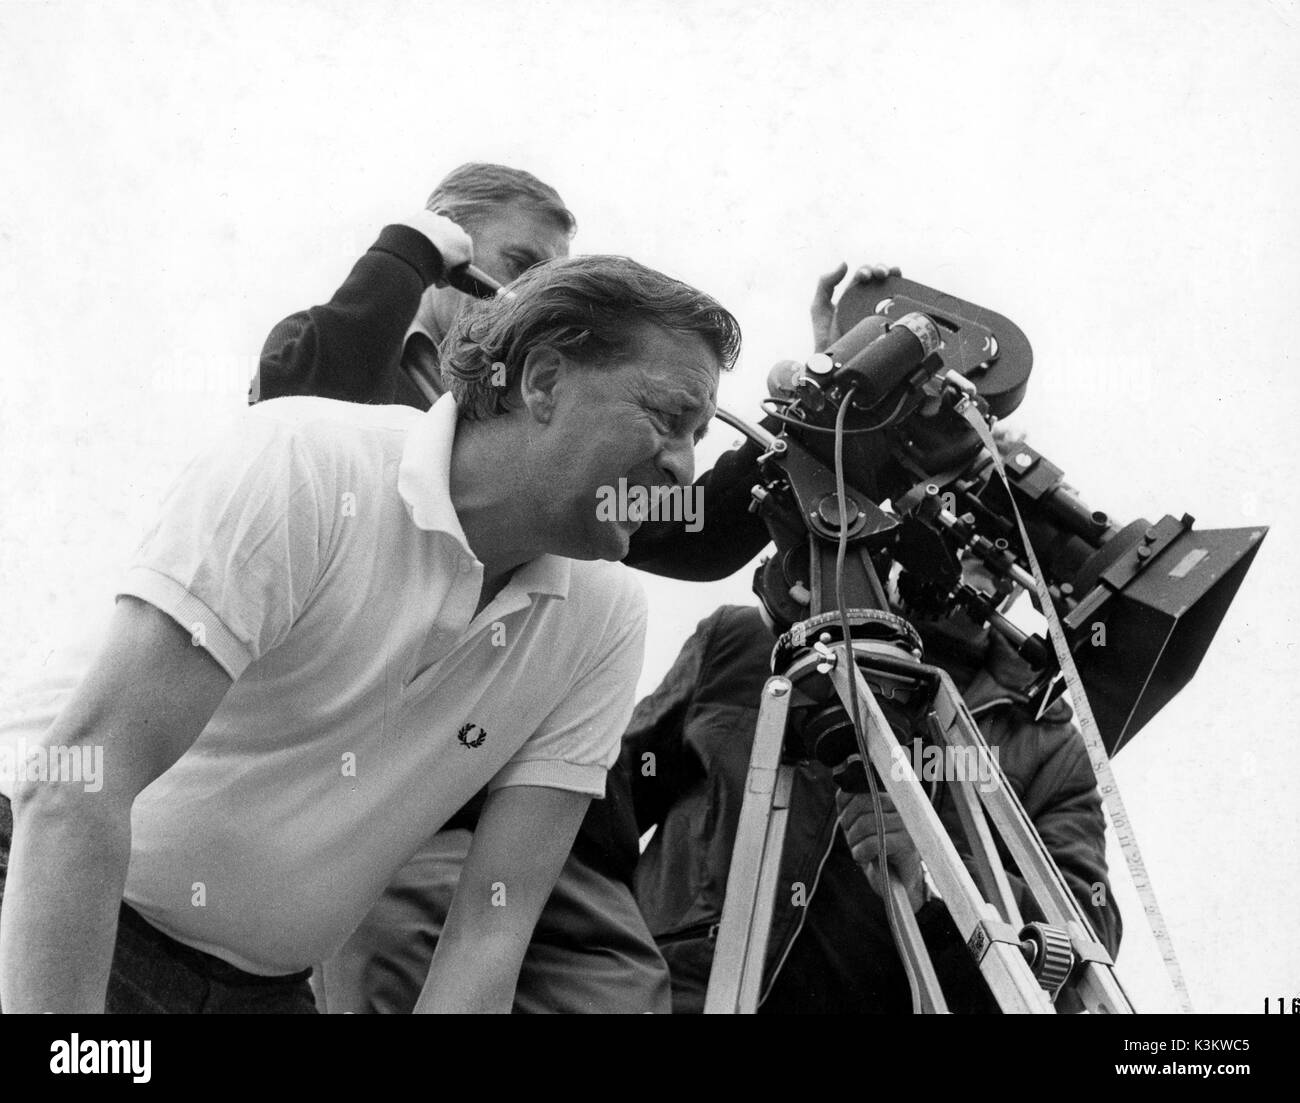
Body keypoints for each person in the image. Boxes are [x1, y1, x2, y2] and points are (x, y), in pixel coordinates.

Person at [0, 254, 740, 1013]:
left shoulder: (606, 617)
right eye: (666, 417)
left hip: (261, 990)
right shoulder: (304, 464)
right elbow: (76, 784)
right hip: (40, 889)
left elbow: (490, 929)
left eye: (698, 435)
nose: (685, 470)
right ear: (543, 380)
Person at [622, 603, 1122, 1013]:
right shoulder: (748, 639)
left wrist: (932, 873)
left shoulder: (1048, 743)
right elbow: (599, 812)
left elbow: (1082, 951)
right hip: (667, 994)